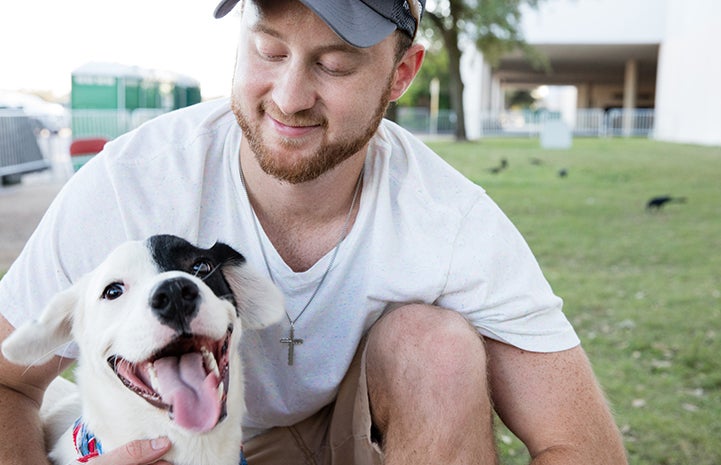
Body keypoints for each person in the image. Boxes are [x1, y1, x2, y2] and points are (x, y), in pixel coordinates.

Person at [0, 0, 628, 464]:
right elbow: (7, 379)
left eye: (335, 65)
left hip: (352, 440)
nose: (290, 96)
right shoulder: (130, 181)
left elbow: (581, 445)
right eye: (269, 50)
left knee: (431, 346)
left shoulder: (450, 219)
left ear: (401, 74)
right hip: (170, 438)